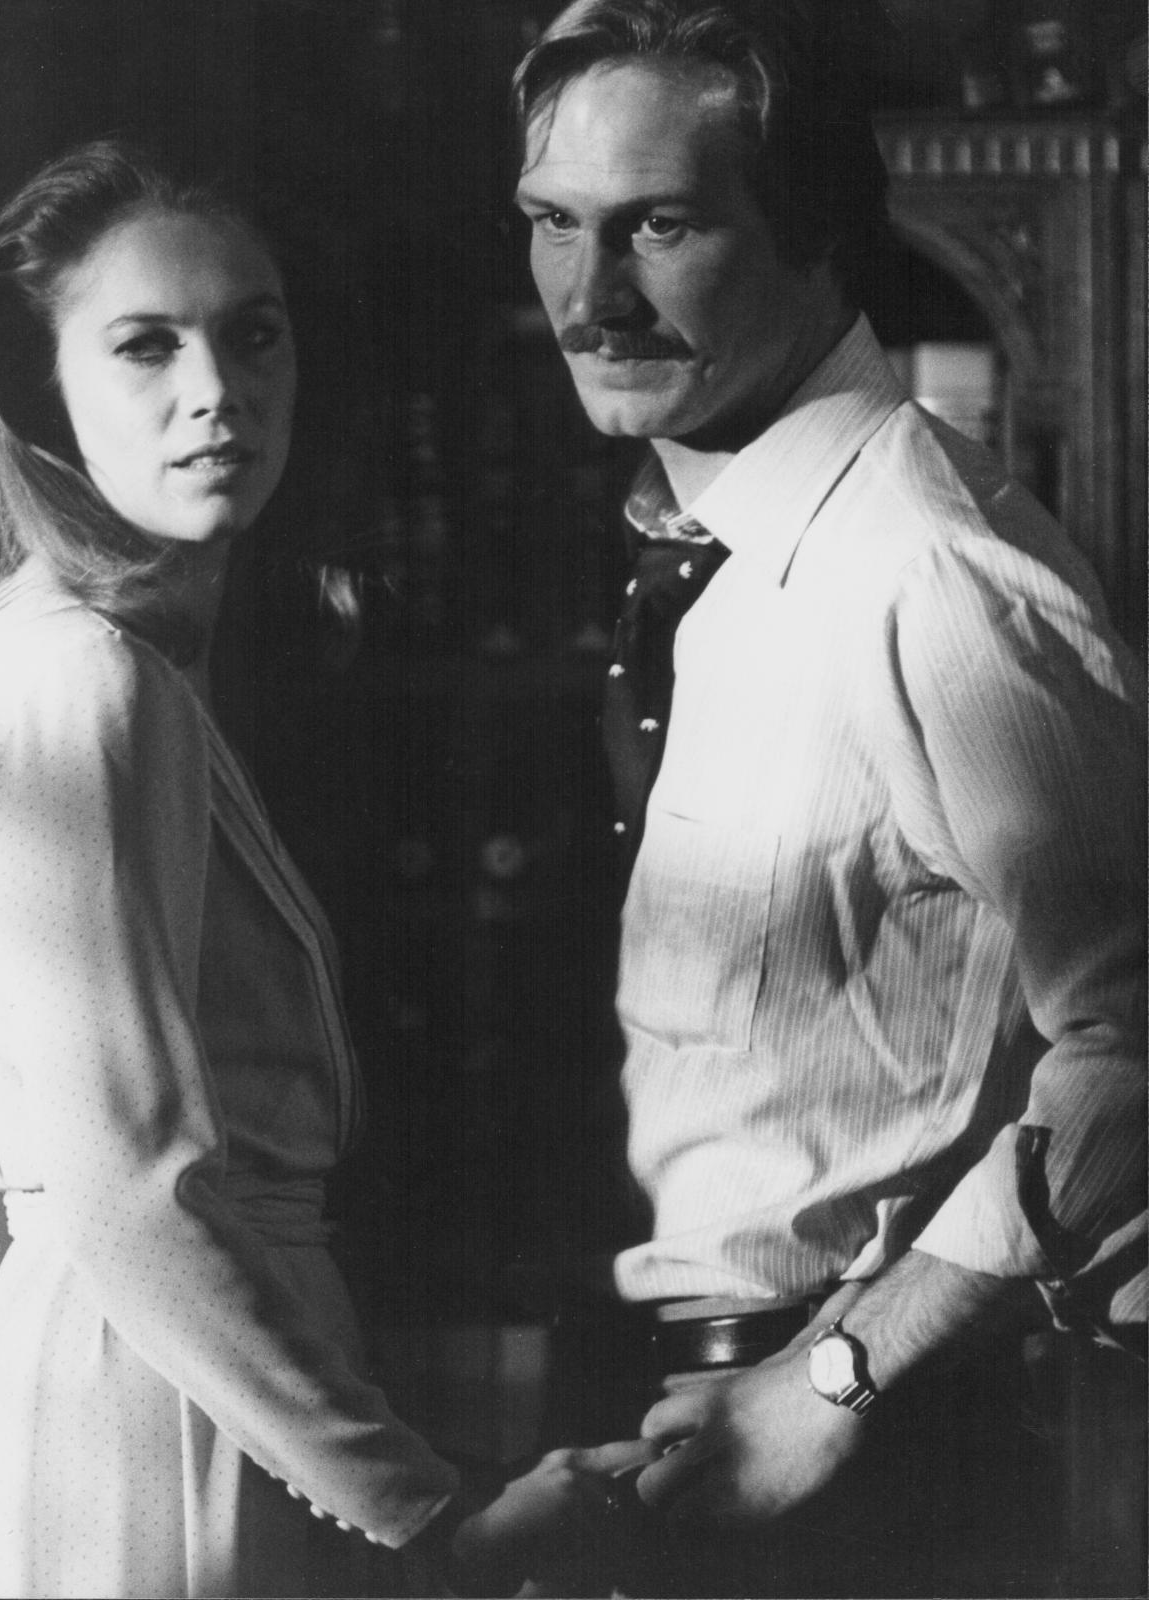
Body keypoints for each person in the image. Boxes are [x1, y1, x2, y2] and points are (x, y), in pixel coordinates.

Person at [0, 138, 655, 1599]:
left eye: (253, 336)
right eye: (146, 346)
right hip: (145, 1404)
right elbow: (129, 1192)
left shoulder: (91, 664)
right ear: (39, 396)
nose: (216, 390)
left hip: (182, 1378)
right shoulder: (79, 677)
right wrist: (426, 1515)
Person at [511, 2, 1146, 1594]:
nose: (589, 296)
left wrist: (835, 1385)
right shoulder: (708, 559)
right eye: (554, 224)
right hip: (667, 1407)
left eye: (660, 225)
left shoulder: (927, 572)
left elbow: (1138, 1036)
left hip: (868, 1449)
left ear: (816, 230)